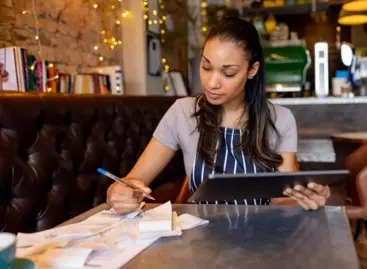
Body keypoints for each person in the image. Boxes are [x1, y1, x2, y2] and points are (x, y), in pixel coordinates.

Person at [107, 17, 330, 214]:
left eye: (228, 73)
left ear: (252, 70)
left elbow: (284, 199)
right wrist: (120, 191)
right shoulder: (182, 112)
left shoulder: (280, 119)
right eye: (206, 67)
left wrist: (307, 199)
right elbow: (133, 180)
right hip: (200, 240)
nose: (212, 83)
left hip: (261, 239)